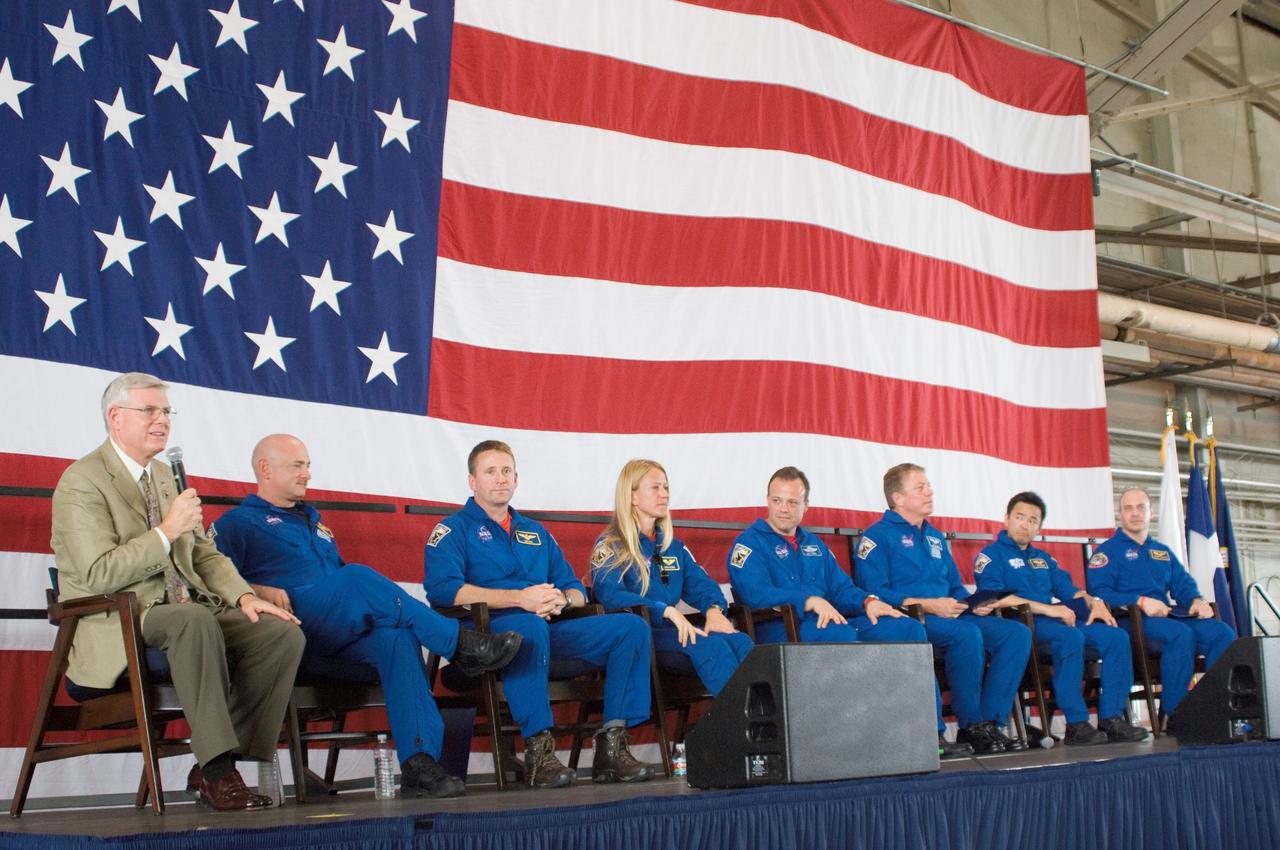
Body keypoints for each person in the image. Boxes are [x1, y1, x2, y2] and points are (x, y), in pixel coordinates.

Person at [211, 435, 524, 798]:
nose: (307, 474)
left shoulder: (314, 522)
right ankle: (459, 644)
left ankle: (419, 762)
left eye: (308, 465)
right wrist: (256, 590)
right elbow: (209, 582)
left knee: (397, 637)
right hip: (289, 627)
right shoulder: (236, 523)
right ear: (264, 469)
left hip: (336, 629)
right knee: (357, 577)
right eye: (297, 465)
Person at [50, 372, 305, 811]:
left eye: (166, 411)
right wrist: (165, 532)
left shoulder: (167, 476)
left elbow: (204, 554)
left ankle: (216, 766)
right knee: (193, 620)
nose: (161, 420)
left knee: (278, 632)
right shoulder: (82, 482)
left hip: (186, 610)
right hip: (120, 618)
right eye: (149, 410)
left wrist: (245, 597)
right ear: (116, 417)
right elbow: (96, 573)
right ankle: (219, 769)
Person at [424, 440, 655, 788]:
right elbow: (443, 591)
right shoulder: (452, 530)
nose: (500, 479)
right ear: (472, 481)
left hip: (547, 626)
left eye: (506, 471)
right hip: (490, 638)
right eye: (490, 472)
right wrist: (519, 598)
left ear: (516, 477)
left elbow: (575, 588)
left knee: (630, 627)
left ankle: (613, 745)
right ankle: (539, 752)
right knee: (527, 625)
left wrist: (561, 600)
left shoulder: (535, 531)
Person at [727, 466, 972, 758]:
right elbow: (753, 593)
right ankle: (855, 737)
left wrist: (868, 602)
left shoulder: (814, 545)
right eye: (777, 500)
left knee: (906, 628)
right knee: (839, 633)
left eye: (793, 502)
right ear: (767, 500)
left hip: (833, 621)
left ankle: (928, 733)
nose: (784, 508)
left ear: (806, 506)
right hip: (780, 627)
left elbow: (842, 589)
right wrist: (807, 600)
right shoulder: (749, 544)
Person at [854, 463, 1032, 754]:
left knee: (1015, 634)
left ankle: (989, 723)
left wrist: (974, 603)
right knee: (966, 635)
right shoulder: (876, 537)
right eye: (920, 487)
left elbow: (954, 587)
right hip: (913, 617)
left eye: (928, 485)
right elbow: (875, 593)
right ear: (898, 498)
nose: (929, 491)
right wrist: (929, 605)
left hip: (951, 614)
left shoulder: (936, 537)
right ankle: (970, 722)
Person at [973, 492, 1149, 745]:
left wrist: (1095, 603)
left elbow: (1070, 591)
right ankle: (1076, 723)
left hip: (1054, 621)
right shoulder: (990, 556)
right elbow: (992, 598)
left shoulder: (1043, 559)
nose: (1025, 524)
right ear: (1007, 519)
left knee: (1116, 636)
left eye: (1033, 520)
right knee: (1070, 637)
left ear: (1039, 527)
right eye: (1020, 517)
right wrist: (1048, 609)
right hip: (1022, 624)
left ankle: (1112, 719)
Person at [590, 459, 752, 696]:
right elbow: (609, 595)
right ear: (632, 496)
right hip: (641, 636)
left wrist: (714, 611)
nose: (664, 494)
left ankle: (765, 725)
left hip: (676, 632)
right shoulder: (611, 545)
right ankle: (740, 727)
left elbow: (703, 586)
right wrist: (664, 610)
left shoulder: (672, 547)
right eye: (655, 488)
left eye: (666, 488)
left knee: (743, 643)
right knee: (713, 647)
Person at [1085, 487, 1235, 727]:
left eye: (1141, 507)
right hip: (1129, 621)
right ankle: (1176, 713)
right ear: (1120, 515)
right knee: (1180, 635)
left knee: (1222, 633)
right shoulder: (1106, 552)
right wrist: (1140, 601)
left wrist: (1196, 600)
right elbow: (1100, 594)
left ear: (1150, 513)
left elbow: (1183, 585)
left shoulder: (1161, 552)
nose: (1135, 513)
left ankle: (1216, 705)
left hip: (1165, 617)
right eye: (1128, 508)